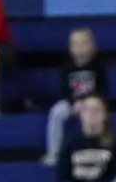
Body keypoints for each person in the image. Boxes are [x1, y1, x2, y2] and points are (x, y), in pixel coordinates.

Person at [43, 28, 108, 164]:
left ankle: (99, 151)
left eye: (83, 43)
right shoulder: (66, 66)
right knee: (56, 112)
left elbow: (103, 89)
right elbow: (63, 90)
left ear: (91, 45)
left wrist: (87, 102)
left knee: (94, 113)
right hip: (71, 103)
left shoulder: (99, 65)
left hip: (93, 102)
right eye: (75, 44)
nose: (79, 48)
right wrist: (74, 102)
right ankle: (54, 153)